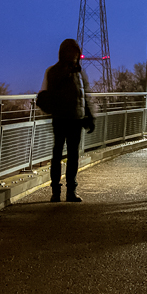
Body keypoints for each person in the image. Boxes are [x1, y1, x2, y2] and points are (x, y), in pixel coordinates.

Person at [39, 38, 95, 202]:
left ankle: (71, 190)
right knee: (57, 154)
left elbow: (84, 96)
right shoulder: (54, 71)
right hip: (60, 117)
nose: (73, 55)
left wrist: (88, 115)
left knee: (73, 156)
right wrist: (66, 73)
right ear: (63, 53)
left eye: (76, 52)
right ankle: (55, 190)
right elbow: (49, 93)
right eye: (70, 52)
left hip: (76, 118)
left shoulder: (79, 72)